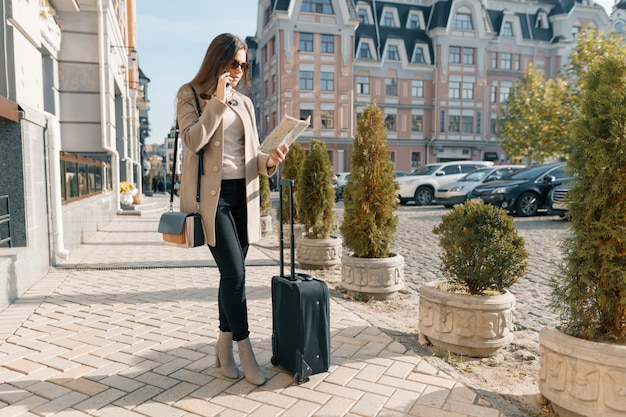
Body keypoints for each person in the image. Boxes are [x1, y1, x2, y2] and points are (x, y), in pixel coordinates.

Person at [176, 33, 288, 386]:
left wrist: (269, 160)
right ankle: (244, 349)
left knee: (231, 276)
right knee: (237, 276)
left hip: (244, 196)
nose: (239, 71)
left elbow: (251, 156)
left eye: (244, 64)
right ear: (217, 61)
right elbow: (193, 141)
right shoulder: (190, 95)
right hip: (213, 200)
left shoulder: (246, 103)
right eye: (233, 64)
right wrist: (218, 102)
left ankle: (223, 351)